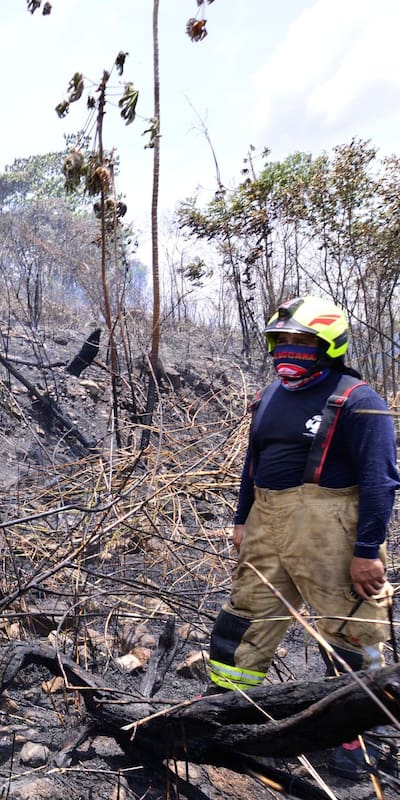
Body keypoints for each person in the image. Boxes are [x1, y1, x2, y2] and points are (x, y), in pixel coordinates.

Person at [205, 296, 399, 777]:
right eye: (281, 340)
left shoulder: (359, 400)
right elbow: (252, 464)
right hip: (266, 523)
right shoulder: (270, 396)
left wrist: (366, 551)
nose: (288, 349)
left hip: (332, 530)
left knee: (353, 632)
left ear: (329, 344)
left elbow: (380, 480)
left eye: (301, 341)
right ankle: (227, 710)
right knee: (244, 618)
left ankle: (360, 736)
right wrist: (242, 519)